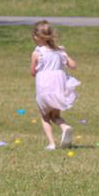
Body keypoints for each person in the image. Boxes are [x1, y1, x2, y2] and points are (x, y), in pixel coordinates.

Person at [30, 20, 79, 150]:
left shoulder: (37, 53)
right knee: (56, 116)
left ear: (36, 37)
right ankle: (64, 127)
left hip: (44, 85)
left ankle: (52, 144)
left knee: (45, 116)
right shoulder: (60, 51)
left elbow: (32, 72)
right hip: (59, 84)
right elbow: (73, 65)